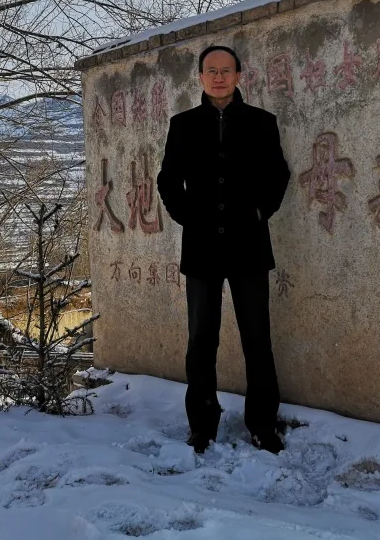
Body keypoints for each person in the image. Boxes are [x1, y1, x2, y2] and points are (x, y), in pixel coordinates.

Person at [156, 45, 291, 454]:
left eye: (226, 70)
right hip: (201, 248)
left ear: (238, 76)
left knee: (257, 338)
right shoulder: (183, 125)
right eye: (211, 70)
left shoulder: (261, 122)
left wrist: (259, 211)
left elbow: (278, 174)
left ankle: (263, 424)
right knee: (201, 339)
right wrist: (187, 216)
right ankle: (202, 425)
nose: (218, 77)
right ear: (200, 77)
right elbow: (167, 180)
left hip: (249, 245)